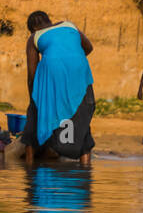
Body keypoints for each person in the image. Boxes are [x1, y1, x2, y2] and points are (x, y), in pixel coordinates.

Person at [19, 10, 94, 165]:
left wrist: (34, 100)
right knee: (81, 115)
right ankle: (85, 163)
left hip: (53, 71)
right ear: (49, 20)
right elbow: (88, 47)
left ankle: (30, 163)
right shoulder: (70, 25)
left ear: (33, 28)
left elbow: (31, 73)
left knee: (34, 115)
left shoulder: (35, 37)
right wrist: (73, 57)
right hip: (79, 69)